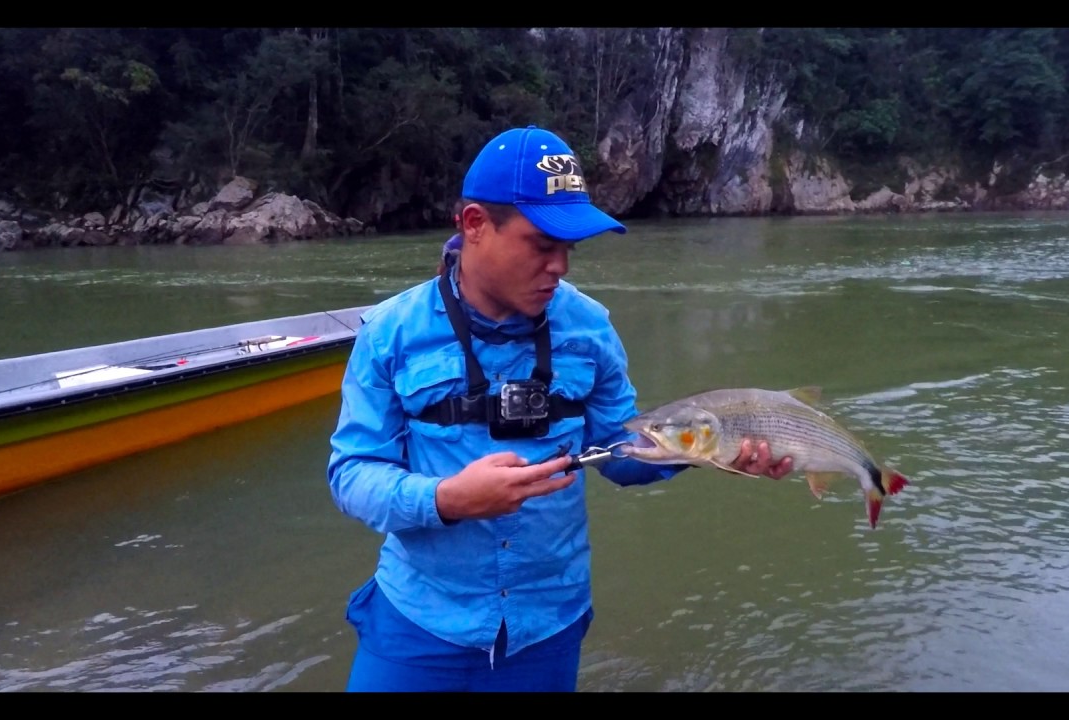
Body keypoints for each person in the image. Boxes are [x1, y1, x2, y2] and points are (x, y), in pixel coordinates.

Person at [326, 125, 793, 692]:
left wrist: (707, 452)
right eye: (542, 245)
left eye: (568, 249)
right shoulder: (389, 334)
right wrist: (446, 499)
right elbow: (352, 474)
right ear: (474, 225)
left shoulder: (590, 328)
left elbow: (620, 454)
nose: (560, 268)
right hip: (418, 621)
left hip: (548, 625)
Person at [436, 199, 464, 276]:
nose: (458, 226)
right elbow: (440, 273)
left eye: (460, 221)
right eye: (456, 220)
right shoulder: (452, 245)